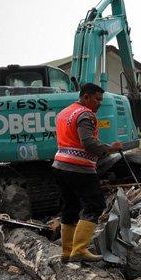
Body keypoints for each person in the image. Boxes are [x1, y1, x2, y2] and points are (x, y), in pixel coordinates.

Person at [52, 83, 122, 263]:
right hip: (79, 168)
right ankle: (80, 249)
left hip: (60, 166)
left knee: (70, 207)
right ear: (85, 97)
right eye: (97, 99)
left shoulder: (64, 113)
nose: (99, 103)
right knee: (95, 205)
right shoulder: (85, 114)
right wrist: (110, 149)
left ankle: (67, 252)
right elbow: (88, 142)